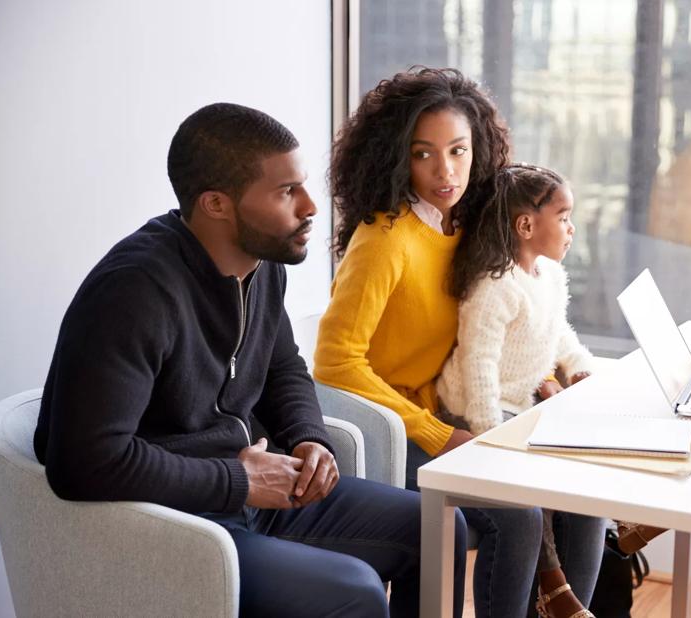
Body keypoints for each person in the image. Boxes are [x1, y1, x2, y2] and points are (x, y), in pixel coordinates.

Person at [35, 102, 467, 618]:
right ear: (217, 204)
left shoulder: (262, 265)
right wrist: (238, 479)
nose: (310, 205)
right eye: (287, 192)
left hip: (254, 496)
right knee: (355, 591)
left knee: (440, 529)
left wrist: (310, 437)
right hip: (178, 521)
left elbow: (283, 369)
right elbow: (83, 462)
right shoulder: (133, 293)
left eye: (303, 185)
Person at [316, 67, 599, 618]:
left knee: (582, 495)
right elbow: (334, 362)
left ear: (480, 150)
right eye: (423, 154)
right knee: (518, 514)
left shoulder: (469, 229)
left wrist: (545, 376)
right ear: (397, 156)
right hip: (388, 430)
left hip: (453, 410)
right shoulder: (384, 240)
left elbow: (497, 326)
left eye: (458, 151)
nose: (444, 171)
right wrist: (436, 432)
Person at [436, 163, 605, 618]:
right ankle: (553, 593)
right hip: (474, 416)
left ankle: (571, 604)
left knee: (588, 491)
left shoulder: (547, 277)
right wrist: (491, 435)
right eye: (564, 216)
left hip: (521, 411)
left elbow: (558, 334)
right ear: (527, 225)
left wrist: (581, 368)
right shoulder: (495, 287)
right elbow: (479, 363)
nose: (571, 229)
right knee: (533, 489)